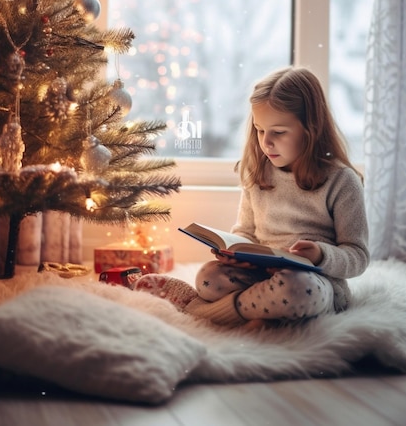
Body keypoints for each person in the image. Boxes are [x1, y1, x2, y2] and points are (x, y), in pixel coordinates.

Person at [133, 66, 370, 328]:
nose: (265, 143)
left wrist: (320, 255)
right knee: (208, 276)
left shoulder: (342, 181)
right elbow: (245, 232)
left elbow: (357, 255)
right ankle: (261, 313)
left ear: (310, 129)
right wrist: (234, 251)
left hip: (315, 284)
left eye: (278, 132)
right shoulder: (259, 174)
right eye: (259, 130)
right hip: (260, 277)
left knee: (296, 290)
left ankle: (204, 310)